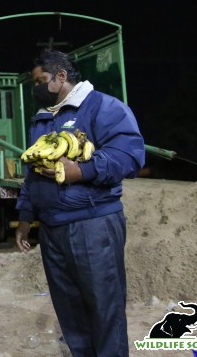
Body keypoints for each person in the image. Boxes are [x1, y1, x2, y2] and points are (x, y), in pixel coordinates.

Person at [15, 49, 145, 357]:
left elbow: (129, 155)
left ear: (61, 77)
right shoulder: (42, 120)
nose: (36, 88)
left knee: (104, 307)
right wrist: (24, 216)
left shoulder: (103, 107)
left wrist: (81, 170)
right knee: (70, 312)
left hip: (93, 224)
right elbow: (32, 175)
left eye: (41, 80)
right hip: (52, 229)